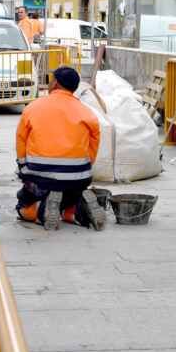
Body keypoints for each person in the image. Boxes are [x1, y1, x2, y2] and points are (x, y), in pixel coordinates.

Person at [15, 66, 105, 231]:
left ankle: (38, 211)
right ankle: (73, 210)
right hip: (78, 176)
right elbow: (94, 143)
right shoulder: (86, 112)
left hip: (40, 175)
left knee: (25, 202)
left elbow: (21, 140)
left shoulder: (33, 107)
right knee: (71, 187)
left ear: (55, 83)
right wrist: (85, 167)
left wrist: (22, 167)